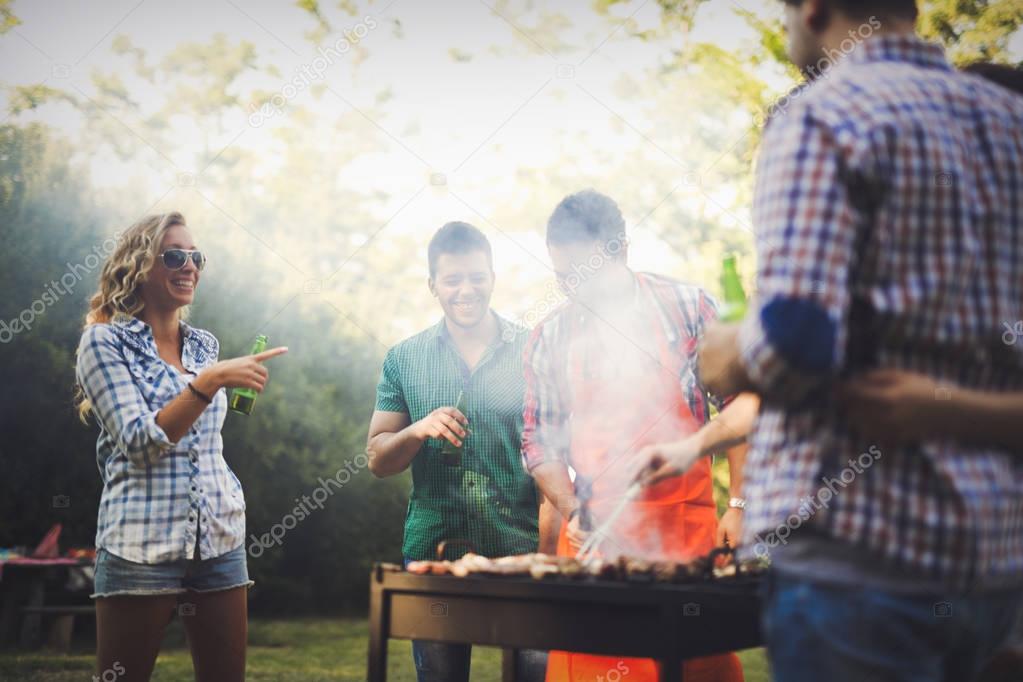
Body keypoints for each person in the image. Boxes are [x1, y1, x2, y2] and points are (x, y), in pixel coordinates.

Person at [692, 0, 1023, 679]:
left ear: (810, 8)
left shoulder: (819, 115)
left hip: (859, 562)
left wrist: (723, 353)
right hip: (990, 564)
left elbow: (797, 344)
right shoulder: (1005, 120)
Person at [522, 190, 746, 682]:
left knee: (691, 663)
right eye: (564, 278)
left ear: (620, 251)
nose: (574, 290)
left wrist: (739, 506)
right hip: (594, 541)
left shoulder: (689, 308)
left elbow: (740, 408)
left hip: (685, 539)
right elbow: (539, 441)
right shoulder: (550, 337)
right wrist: (569, 507)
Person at [75, 212, 287, 682]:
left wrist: (211, 378)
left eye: (196, 257)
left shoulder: (204, 346)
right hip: (140, 544)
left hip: (219, 538)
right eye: (174, 255)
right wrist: (208, 384)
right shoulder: (104, 342)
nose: (189, 265)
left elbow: (206, 441)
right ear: (137, 267)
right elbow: (138, 442)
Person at [366, 221, 553, 682]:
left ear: (492, 277)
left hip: (520, 550)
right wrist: (417, 431)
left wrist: (551, 554)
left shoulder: (534, 350)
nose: (466, 289)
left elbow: (556, 457)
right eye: (452, 280)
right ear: (433, 285)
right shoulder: (404, 358)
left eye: (476, 277)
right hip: (434, 553)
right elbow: (377, 459)